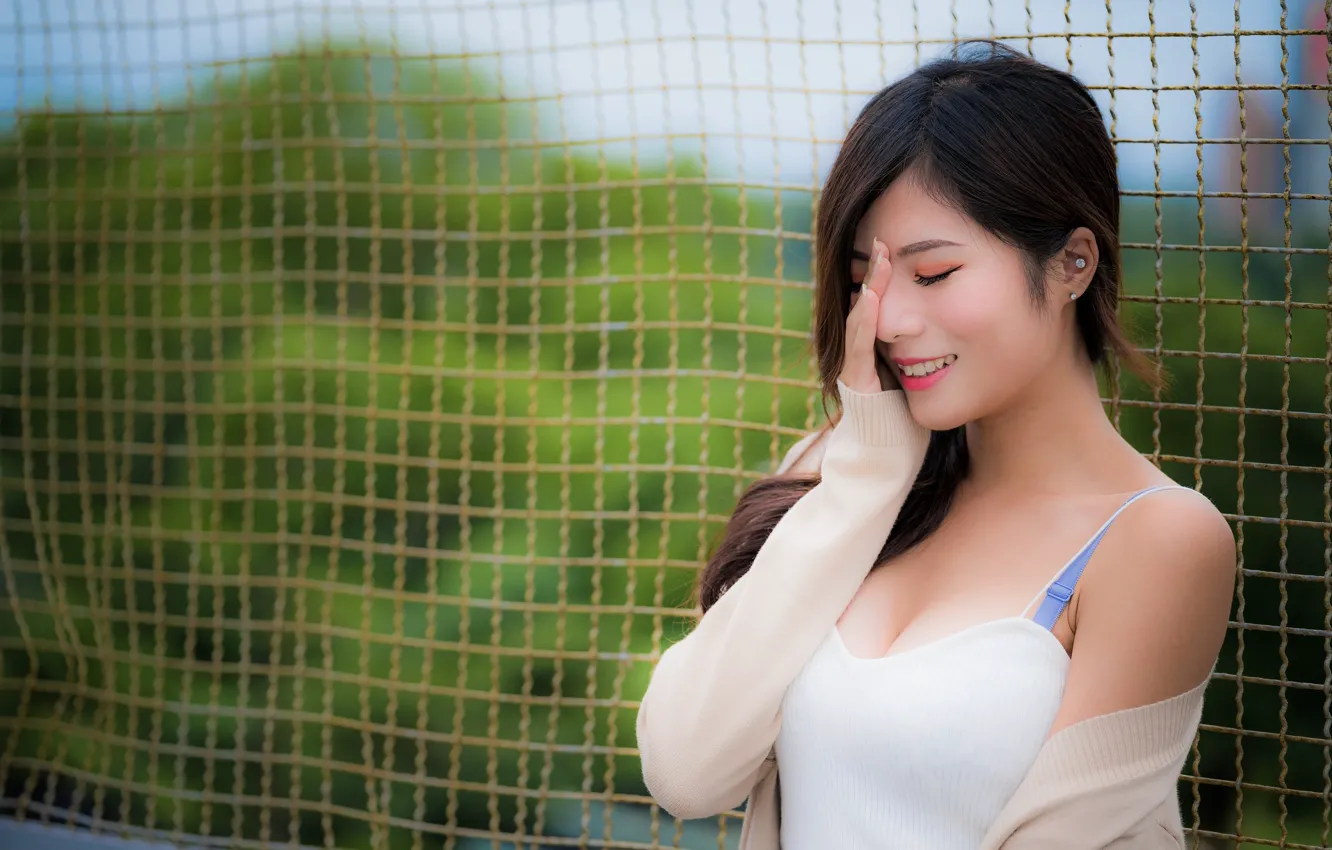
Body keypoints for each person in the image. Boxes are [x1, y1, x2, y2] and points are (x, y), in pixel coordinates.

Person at [635, 40, 1236, 849]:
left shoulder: (1158, 539)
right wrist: (862, 478)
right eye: (863, 280)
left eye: (935, 273)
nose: (885, 320)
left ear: (1072, 263)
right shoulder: (836, 478)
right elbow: (685, 770)